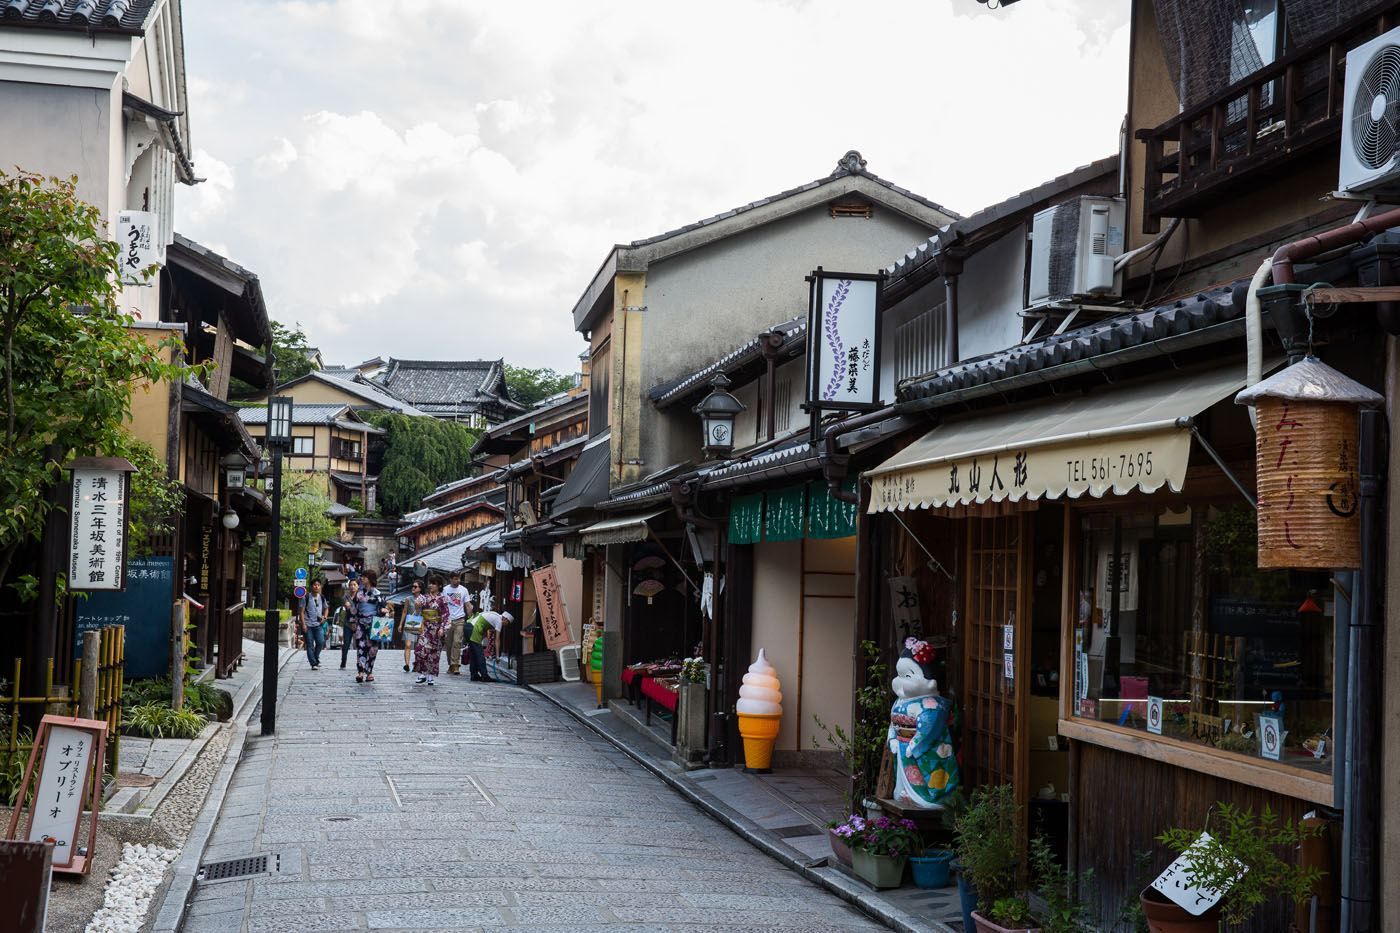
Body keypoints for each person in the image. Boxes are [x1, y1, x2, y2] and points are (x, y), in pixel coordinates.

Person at [412, 576, 450, 685]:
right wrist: (417, 605)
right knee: (420, 650)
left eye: (433, 584)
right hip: (425, 627)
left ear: (439, 586)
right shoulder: (424, 597)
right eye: (430, 583)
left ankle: (430, 675)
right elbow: (418, 606)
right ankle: (422, 672)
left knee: (433, 653)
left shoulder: (443, 599)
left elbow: (446, 615)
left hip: (437, 629)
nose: (431, 586)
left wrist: (442, 628)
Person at [351, 570, 384, 683]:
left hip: (374, 623)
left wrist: (383, 611)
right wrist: (353, 621)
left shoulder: (378, 594)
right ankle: (360, 672)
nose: (362, 579)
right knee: (361, 647)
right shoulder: (359, 593)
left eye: (364, 577)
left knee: (373, 649)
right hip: (361, 622)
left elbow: (381, 608)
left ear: (370, 578)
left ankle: (369, 671)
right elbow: (354, 608)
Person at [465, 610, 510, 683]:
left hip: (467, 626)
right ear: (505, 619)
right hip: (474, 629)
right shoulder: (499, 620)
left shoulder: (494, 614)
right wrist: (498, 656)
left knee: (474, 654)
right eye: (507, 623)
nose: (506, 625)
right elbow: (497, 640)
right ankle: (484, 676)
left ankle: (474, 675)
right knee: (480, 654)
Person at [441, 571, 471, 675]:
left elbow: (467, 604)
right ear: (450, 579)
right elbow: (441, 604)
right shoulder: (445, 590)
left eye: (458, 578)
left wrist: (470, 617)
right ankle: (451, 665)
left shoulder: (464, 590)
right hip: (448, 620)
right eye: (455, 579)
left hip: (460, 619)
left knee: (457, 642)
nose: (457, 580)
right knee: (449, 644)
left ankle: (455, 665)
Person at [299, 579, 329, 670]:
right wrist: (303, 624)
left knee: (321, 642)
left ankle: (315, 658)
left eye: (318, 585)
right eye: (315, 585)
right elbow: (301, 612)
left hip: (318, 624)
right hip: (308, 625)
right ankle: (313, 663)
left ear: (320, 587)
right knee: (310, 645)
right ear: (311, 586)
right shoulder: (306, 597)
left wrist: (325, 617)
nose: (317, 586)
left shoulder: (322, 597)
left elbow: (326, 608)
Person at [400, 581, 424, 672]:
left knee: (419, 646)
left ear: (420, 588)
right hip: (410, 622)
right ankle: (407, 664)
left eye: (415, 586)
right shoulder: (408, 599)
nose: (413, 588)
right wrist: (400, 624)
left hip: (420, 623)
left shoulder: (423, 599)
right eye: (412, 586)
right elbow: (405, 611)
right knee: (408, 644)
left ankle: (417, 664)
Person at [336, 583, 355, 669]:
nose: (352, 586)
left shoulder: (361, 596)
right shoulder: (345, 597)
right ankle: (343, 662)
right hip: (348, 624)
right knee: (346, 644)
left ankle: (361, 663)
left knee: (360, 645)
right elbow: (347, 606)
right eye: (351, 585)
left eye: (355, 585)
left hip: (359, 624)